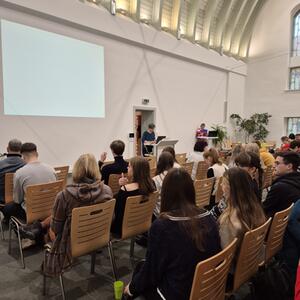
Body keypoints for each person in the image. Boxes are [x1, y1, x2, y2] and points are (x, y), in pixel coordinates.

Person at [124, 168, 221, 300]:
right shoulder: (208, 217)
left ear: (166, 193)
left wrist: (130, 289)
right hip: (207, 285)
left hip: (177, 293)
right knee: (142, 267)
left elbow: (152, 273)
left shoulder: (162, 227)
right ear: (191, 190)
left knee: (138, 279)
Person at [37, 153, 113, 276]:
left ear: (77, 170)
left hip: (73, 243)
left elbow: (56, 228)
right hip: (99, 236)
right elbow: (111, 217)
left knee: (50, 228)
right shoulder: (107, 190)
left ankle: (38, 231)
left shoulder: (64, 195)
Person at [2, 143, 56, 221]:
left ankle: (19, 229)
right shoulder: (51, 169)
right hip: (50, 211)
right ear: (37, 154)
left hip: (29, 214)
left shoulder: (20, 173)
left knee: (7, 208)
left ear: (23, 156)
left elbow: (17, 200)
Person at [218, 168, 266, 251]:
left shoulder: (228, 220)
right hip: (252, 257)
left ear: (232, 189)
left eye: (224, 183)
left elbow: (225, 252)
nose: (221, 185)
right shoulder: (255, 208)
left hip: (233, 261)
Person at [111, 156, 156, 236]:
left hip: (124, 228)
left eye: (129, 166)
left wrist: (122, 187)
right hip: (144, 222)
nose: (127, 168)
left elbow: (118, 214)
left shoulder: (126, 190)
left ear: (135, 170)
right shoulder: (152, 184)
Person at [263, 152, 300, 217]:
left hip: (276, 223)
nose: (274, 165)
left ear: (289, 166)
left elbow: (264, 208)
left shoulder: (280, 187)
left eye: (277, 163)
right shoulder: (296, 179)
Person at [0, 139, 25, 204]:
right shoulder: (26, 165)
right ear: (21, 150)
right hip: (20, 201)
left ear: (7, 149)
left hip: (2, 200)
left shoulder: (1, 164)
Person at [152, 152, 174, 218]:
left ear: (159, 163)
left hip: (160, 213)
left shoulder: (155, 179)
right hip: (175, 211)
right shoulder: (177, 175)